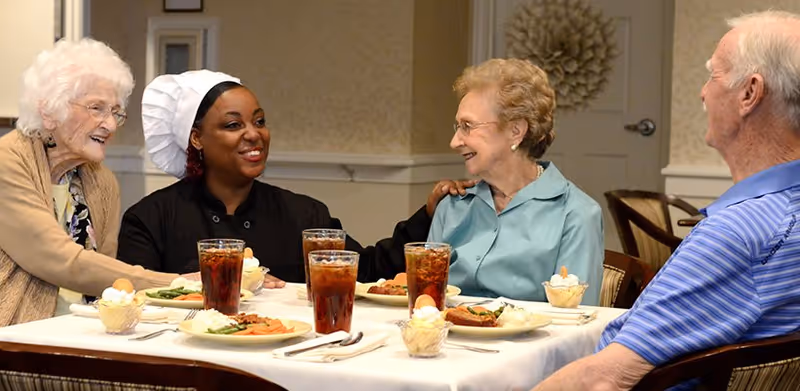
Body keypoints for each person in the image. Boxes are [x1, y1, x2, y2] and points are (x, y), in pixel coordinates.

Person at [533, 10, 800, 391]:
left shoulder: (737, 234)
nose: (703, 92)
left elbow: (604, 380)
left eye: (713, 74)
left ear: (749, 93)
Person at [117, 70, 474, 283]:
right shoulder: (150, 219)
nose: (254, 134)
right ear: (196, 138)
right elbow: (132, 300)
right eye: (233, 125)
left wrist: (427, 214)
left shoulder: (304, 215)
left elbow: (364, 271)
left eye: (259, 121)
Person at [0, 39, 179, 327]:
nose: (109, 125)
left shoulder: (102, 182)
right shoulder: (8, 162)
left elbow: (108, 284)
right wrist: (176, 285)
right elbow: (62, 261)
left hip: (85, 333)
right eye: (97, 108)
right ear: (49, 111)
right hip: (16, 339)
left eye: (115, 112)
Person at [428, 58, 603, 304]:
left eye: (468, 126)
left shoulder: (575, 215)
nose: (455, 142)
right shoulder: (452, 206)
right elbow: (425, 302)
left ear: (515, 131)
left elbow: (576, 321)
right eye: (457, 126)